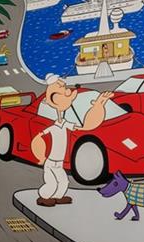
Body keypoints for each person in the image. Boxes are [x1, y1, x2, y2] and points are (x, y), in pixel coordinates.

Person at [30, 75, 110, 207]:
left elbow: (85, 127)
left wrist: (98, 105)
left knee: (63, 182)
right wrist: (41, 155)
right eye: (62, 89)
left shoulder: (65, 124)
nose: (67, 92)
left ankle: (57, 197)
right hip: (51, 162)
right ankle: (44, 197)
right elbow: (39, 137)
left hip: (59, 163)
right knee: (51, 183)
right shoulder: (53, 127)